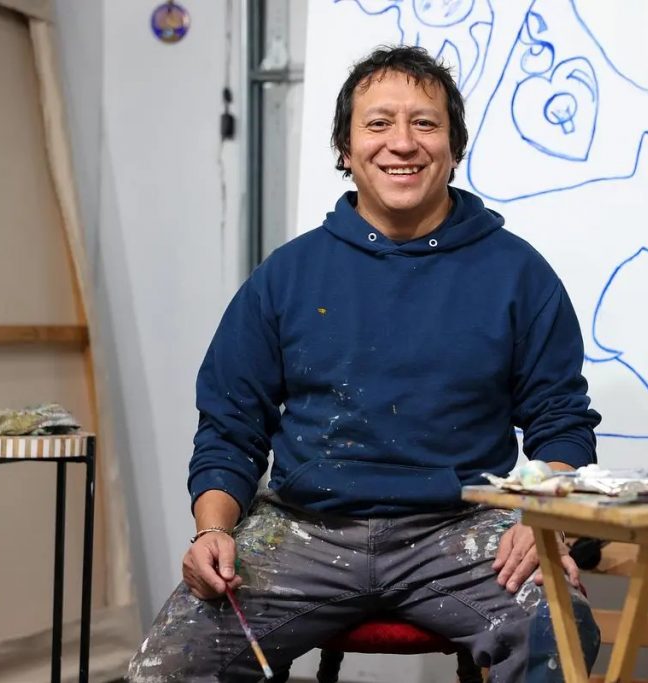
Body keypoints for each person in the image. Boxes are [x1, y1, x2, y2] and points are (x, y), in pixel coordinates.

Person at [128, 45, 602, 682]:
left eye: (425, 123)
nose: (402, 143)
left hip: (461, 529)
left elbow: (560, 420)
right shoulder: (287, 276)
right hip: (303, 529)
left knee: (557, 628)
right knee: (170, 663)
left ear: (454, 148)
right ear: (345, 149)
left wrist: (545, 520)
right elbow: (230, 427)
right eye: (378, 123)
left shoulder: (519, 273)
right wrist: (211, 532)